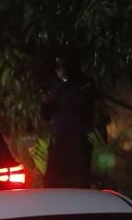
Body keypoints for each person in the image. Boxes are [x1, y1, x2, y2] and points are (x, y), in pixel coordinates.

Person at [40, 48, 97, 189]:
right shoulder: (55, 86)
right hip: (57, 146)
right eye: (58, 66)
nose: (59, 70)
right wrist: (45, 103)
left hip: (77, 147)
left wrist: (67, 82)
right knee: (52, 188)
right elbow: (46, 115)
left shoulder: (84, 84)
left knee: (78, 188)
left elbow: (80, 104)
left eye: (62, 66)